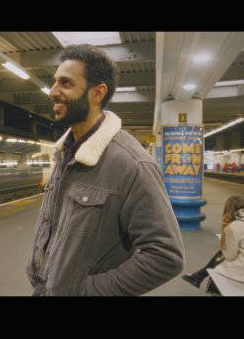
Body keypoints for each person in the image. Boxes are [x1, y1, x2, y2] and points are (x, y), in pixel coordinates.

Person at [26, 44, 184, 296]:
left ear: (97, 93)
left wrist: (86, 291)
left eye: (65, 83)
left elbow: (165, 255)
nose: (52, 91)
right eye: (54, 81)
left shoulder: (132, 164)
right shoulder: (66, 152)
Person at [182, 195, 244, 291]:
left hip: (240, 273)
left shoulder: (234, 226)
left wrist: (224, 244)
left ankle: (200, 278)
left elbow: (230, 256)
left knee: (219, 261)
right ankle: (198, 276)